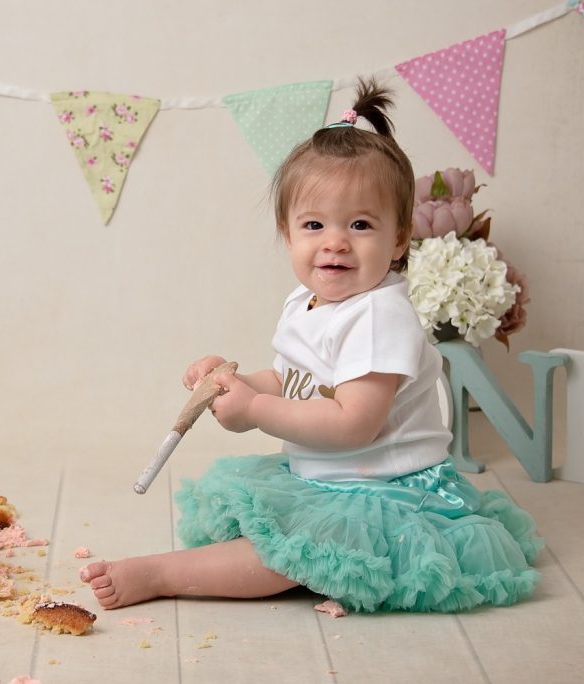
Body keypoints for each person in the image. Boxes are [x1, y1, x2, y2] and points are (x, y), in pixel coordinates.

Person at [81, 78, 543, 613]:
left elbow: (354, 423)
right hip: (325, 479)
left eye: (361, 224)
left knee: (283, 557)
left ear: (398, 239)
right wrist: (235, 383)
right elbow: (293, 379)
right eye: (315, 224)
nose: (335, 241)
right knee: (280, 535)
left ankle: (161, 574)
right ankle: (218, 567)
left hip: (386, 493)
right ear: (288, 231)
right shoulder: (306, 300)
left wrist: (255, 410)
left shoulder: (379, 316)